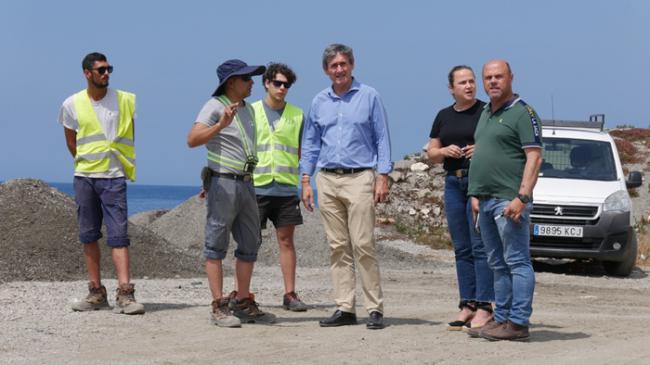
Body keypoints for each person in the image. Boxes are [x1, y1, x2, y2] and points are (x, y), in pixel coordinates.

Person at [300, 44, 392, 330]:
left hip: (359, 177)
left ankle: (374, 308)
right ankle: (345, 307)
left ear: (352, 65)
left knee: (363, 244)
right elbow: (311, 143)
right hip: (326, 179)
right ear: (326, 70)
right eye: (333, 65)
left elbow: (382, 137)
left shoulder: (369, 96)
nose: (338, 69)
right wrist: (306, 179)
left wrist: (383, 175)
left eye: (343, 64)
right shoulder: (319, 101)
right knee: (337, 247)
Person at [187, 59, 276, 327]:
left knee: (250, 243)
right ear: (231, 82)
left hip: (246, 182)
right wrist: (220, 125)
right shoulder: (214, 106)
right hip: (224, 181)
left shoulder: (247, 109)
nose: (252, 83)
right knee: (216, 244)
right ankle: (218, 305)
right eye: (246, 79)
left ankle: (242, 301)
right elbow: (192, 139)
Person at [59, 52, 144, 315]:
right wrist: (87, 163)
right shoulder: (71, 104)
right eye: (101, 70)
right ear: (87, 73)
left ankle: (125, 293)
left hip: (114, 177)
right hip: (85, 177)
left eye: (109, 69)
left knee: (119, 236)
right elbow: (71, 141)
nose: (106, 74)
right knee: (89, 235)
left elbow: (129, 134)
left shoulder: (124, 100)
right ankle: (96, 292)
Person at [467, 60, 543, 341]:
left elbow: (534, 157)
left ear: (511, 77)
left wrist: (522, 197)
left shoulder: (523, 113)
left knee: (517, 261)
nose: (493, 82)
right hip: (486, 201)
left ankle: (519, 322)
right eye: (488, 77)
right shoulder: (486, 111)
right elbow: (485, 154)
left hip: (508, 201)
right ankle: (501, 319)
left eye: (499, 76)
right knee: (497, 263)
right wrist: (476, 193)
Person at [427, 65, 494, 331]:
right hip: (453, 182)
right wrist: (444, 150)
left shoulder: (486, 111)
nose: (469, 86)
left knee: (480, 246)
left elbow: (499, 142)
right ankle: (467, 304)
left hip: (478, 182)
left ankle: (485, 305)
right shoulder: (443, 115)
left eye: (471, 81)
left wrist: (482, 148)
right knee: (462, 248)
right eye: (463, 82)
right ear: (451, 88)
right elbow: (431, 151)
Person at [251, 63, 308, 311]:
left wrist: (306, 182)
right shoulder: (250, 111)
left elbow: (302, 151)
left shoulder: (297, 114)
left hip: (285, 188)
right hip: (256, 187)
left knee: (286, 242)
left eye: (287, 84)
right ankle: (243, 293)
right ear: (267, 83)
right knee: (249, 242)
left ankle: (290, 294)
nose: (283, 88)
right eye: (278, 83)